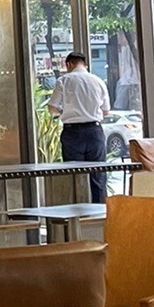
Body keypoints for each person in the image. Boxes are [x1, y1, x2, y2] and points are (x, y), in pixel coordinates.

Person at [47, 52, 111, 203]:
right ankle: (100, 211)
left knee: (74, 176)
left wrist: (64, 111)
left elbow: (52, 107)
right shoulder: (98, 81)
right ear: (84, 64)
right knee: (98, 176)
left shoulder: (64, 81)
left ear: (69, 64)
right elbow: (106, 110)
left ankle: (78, 211)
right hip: (94, 131)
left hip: (72, 133)